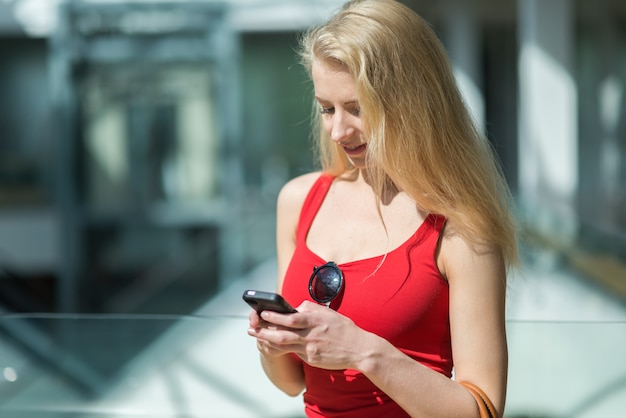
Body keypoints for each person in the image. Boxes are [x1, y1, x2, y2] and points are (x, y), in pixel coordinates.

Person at [247, 0, 518, 416]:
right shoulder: (299, 200)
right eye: (326, 108)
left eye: (357, 109)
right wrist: (274, 345)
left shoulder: (462, 230)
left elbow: (482, 410)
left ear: (411, 102)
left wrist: (364, 351)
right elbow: (293, 383)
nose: (338, 130)